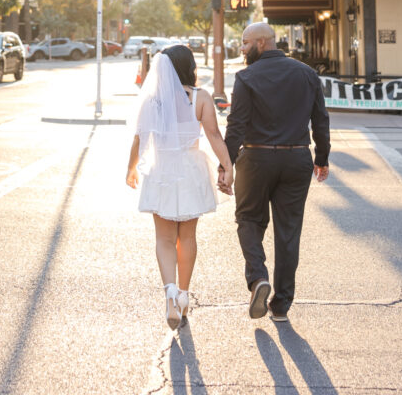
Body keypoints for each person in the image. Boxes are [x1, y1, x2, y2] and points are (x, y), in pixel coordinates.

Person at [220, 22, 330, 322]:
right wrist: (322, 157)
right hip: (297, 158)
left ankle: (258, 279)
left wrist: (226, 164)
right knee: (289, 231)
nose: (241, 49)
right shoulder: (307, 74)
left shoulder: (246, 77)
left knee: (248, 220)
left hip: (256, 159)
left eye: (245, 43)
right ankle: (281, 304)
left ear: (261, 42)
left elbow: (236, 125)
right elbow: (321, 119)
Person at [126, 44, 234, 329]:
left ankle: (170, 293)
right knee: (187, 237)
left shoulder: (152, 99)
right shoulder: (200, 97)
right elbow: (214, 135)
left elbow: (140, 138)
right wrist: (227, 166)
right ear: (190, 66)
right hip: (190, 170)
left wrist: (131, 168)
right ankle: (184, 296)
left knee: (163, 238)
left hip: (161, 169)